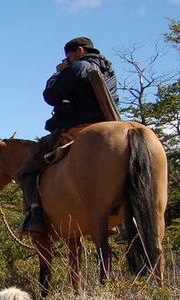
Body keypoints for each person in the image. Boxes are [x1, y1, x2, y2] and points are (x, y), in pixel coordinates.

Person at [17, 37, 118, 234]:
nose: (68, 60)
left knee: (27, 169)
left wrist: (58, 73)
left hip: (77, 127)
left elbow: (51, 96)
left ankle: (36, 215)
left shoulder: (78, 66)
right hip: (108, 125)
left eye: (69, 56)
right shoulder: (109, 69)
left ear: (79, 51)